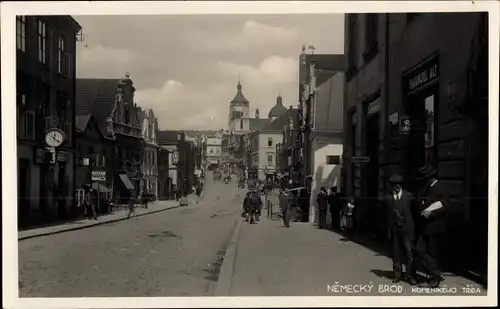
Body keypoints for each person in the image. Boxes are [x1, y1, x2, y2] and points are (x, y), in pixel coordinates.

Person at [413, 166, 448, 288]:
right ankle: (435, 273)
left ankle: (435, 278)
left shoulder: (440, 187)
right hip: (426, 226)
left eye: (425, 178)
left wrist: (431, 213)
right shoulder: (428, 187)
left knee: (432, 252)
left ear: (430, 178)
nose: (424, 180)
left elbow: (446, 206)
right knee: (420, 249)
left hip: (435, 226)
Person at [385, 174, 417, 285]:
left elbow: (415, 212)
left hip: (407, 228)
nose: (396, 186)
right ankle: (397, 275)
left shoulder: (409, 196)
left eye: (398, 184)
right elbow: (384, 216)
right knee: (396, 252)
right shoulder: (388, 198)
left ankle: (410, 275)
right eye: (394, 184)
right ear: (391, 186)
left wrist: (413, 227)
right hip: (394, 229)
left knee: (409, 252)